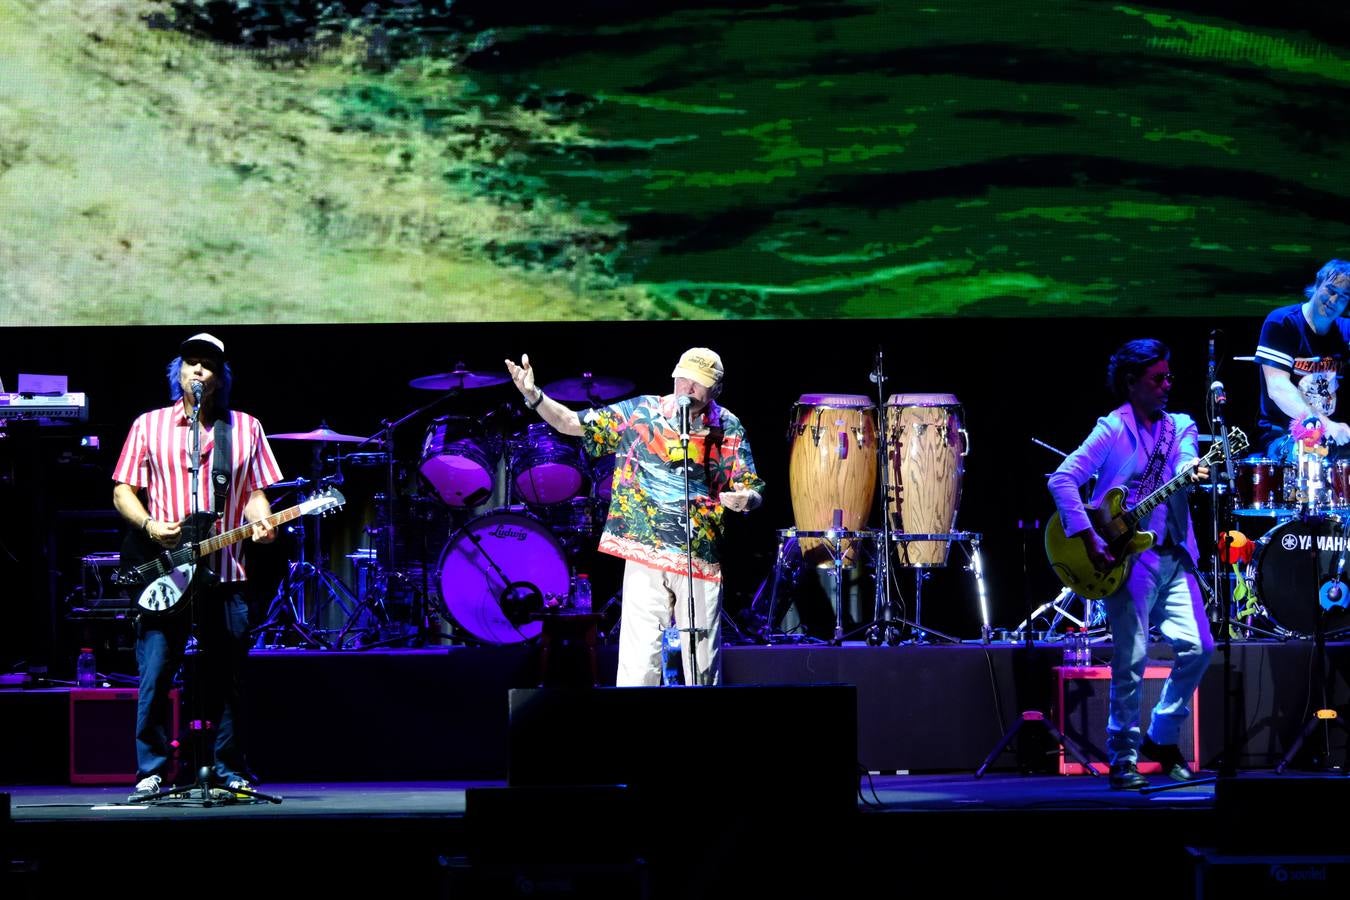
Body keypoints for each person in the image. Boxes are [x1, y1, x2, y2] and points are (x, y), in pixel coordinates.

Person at [505, 348, 764, 686]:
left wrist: (746, 500)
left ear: (716, 389)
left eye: (698, 383)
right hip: (644, 552)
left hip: (698, 557)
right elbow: (570, 422)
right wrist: (534, 396)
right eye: (683, 379)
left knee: (702, 667)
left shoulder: (727, 426)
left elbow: (751, 487)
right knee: (638, 664)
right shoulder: (642, 412)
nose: (687, 389)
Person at [113, 333, 282, 802]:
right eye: (191, 363)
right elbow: (123, 489)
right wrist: (150, 525)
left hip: (225, 571)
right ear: (178, 372)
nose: (199, 371)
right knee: (155, 672)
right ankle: (151, 771)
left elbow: (255, 493)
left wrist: (262, 521)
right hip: (166, 570)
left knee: (228, 678)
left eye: (208, 364)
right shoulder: (148, 425)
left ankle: (228, 769)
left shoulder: (245, 428)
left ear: (220, 377)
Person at [1047, 338, 1214, 790]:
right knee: (1132, 656)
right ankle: (1123, 754)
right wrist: (1088, 537)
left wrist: (1191, 469)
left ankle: (1161, 735)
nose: (1167, 385)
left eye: (1169, 377)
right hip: (1128, 559)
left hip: (1174, 553)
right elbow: (1063, 479)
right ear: (1131, 382)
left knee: (1200, 647)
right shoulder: (1112, 429)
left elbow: (1185, 459)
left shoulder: (1181, 425)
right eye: (1157, 379)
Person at [1254, 259, 1350, 460]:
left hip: (1335, 438)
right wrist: (1325, 425)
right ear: (1318, 283)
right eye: (1331, 290)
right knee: (1310, 456)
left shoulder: (1345, 331)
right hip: (1286, 435)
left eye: (1343, 296)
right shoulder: (1282, 322)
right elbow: (1277, 388)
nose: (1334, 301)